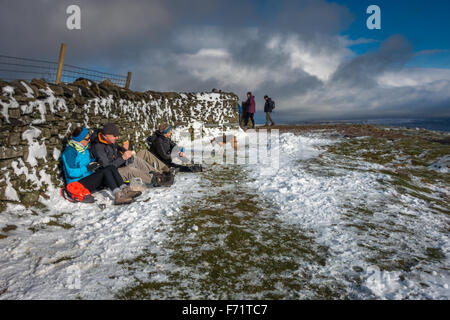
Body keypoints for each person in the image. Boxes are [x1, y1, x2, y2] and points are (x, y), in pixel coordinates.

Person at [61, 127, 139, 205]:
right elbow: (71, 173)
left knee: (110, 167)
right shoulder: (69, 152)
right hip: (77, 184)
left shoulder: (84, 149)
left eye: (89, 138)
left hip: (88, 178)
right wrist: (87, 168)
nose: (89, 141)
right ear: (79, 140)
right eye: (87, 139)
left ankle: (126, 190)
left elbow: (88, 162)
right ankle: (118, 196)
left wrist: (96, 163)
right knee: (105, 170)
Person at [90, 122, 171, 186]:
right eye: (114, 136)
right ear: (105, 136)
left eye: (117, 135)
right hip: (111, 175)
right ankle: (157, 180)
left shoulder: (109, 141)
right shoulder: (98, 148)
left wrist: (125, 150)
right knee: (130, 170)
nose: (117, 137)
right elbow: (107, 168)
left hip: (120, 164)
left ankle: (161, 173)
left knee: (141, 155)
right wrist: (123, 158)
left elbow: (118, 148)